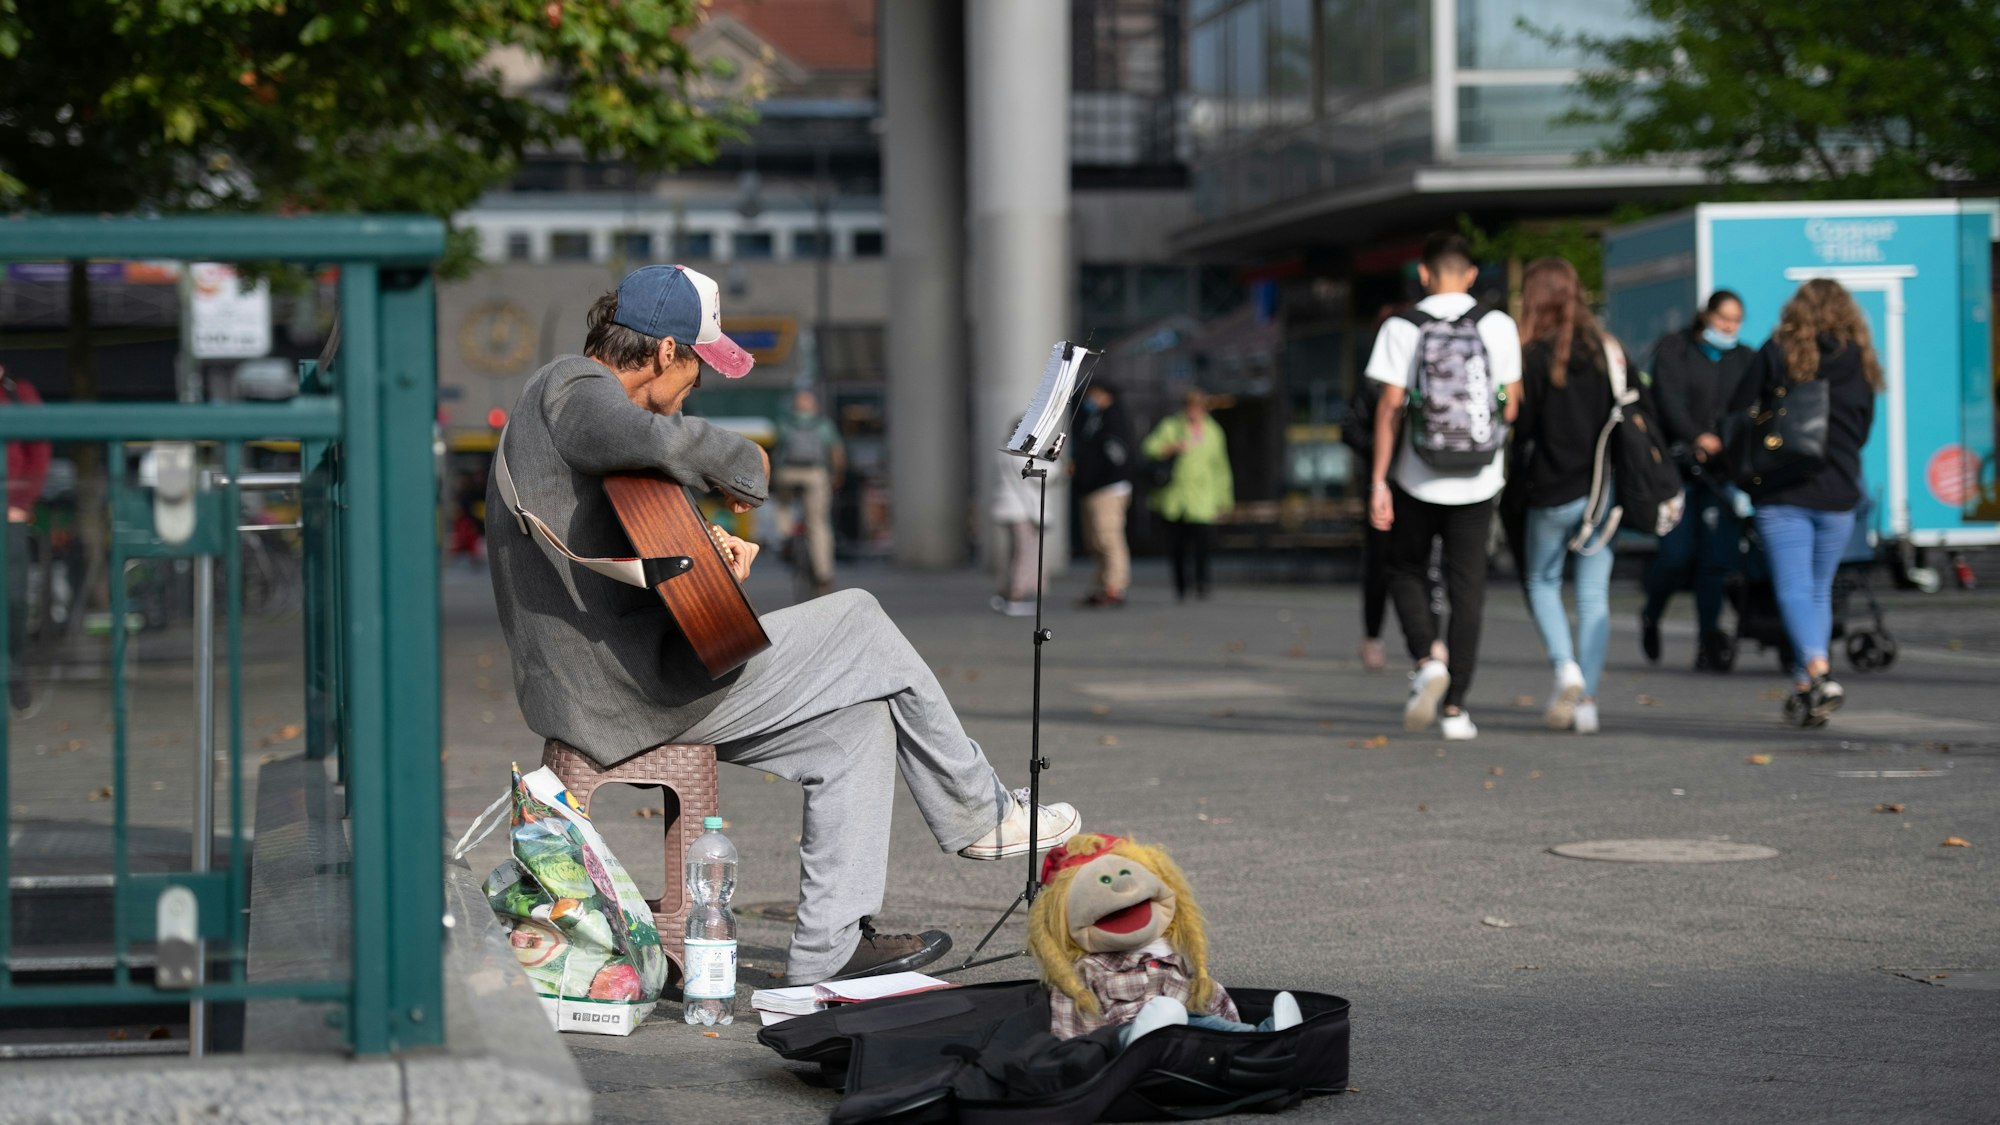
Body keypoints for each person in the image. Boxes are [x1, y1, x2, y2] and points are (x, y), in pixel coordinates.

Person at [487, 265, 1084, 986]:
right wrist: (744, 464)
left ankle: (828, 950)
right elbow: (634, 432)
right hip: (630, 690)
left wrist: (700, 545)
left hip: (615, 679)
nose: (695, 392)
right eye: (699, 372)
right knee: (860, 617)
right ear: (667, 353)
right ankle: (978, 812)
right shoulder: (572, 387)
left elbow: (617, 521)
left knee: (857, 726)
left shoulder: (559, 407)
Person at [1365, 231, 1521, 741]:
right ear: (1472, 274)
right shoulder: (1497, 324)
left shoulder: (1401, 326)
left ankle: (1426, 657)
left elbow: (1389, 408)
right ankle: (1456, 708)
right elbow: (1512, 406)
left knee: (1406, 568)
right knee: (1468, 589)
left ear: (1424, 274)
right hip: (1479, 476)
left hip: (1417, 474)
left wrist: (1379, 480)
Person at [1725, 278, 1880, 726]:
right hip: (1839, 491)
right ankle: (1802, 687)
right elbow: (1864, 426)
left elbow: (1738, 407)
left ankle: (1818, 671)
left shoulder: (1777, 352)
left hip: (1783, 488)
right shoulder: (1860, 358)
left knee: (1793, 587)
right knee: (1817, 589)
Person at [1512, 258, 1622, 735]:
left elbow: (1521, 429)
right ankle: (1588, 704)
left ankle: (1566, 668)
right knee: (1594, 595)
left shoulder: (1530, 355)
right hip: (1603, 493)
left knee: (1541, 580)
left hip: (1551, 490)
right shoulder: (1607, 350)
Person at [1639, 290, 1756, 669]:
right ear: (1707, 315)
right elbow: (1668, 401)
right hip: (1678, 471)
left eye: (1736, 321)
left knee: (1715, 561)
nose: (1729, 327)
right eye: (1724, 319)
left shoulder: (1744, 359)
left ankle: (1708, 639)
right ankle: (1652, 613)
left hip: (1720, 474)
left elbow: (1748, 409)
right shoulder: (1676, 350)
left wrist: (1727, 440)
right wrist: (1695, 437)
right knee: (1675, 555)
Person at [1142, 388, 1233, 602]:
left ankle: (1203, 582)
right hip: (1175, 496)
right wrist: (1172, 447)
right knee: (1177, 545)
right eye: (1191, 408)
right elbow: (1149, 448)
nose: (1194, 412)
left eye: (1198, 408)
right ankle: (1181, 585)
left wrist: (1224, 498)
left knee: (1203, 543)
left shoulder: (1213, 432)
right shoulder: (1172, 426)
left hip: (1202, 496)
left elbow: (1221, 467)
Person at [0, 365, 50, 713]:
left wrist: (21, 504)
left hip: (8, 514)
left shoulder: (20, 395)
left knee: (14, 599)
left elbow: (39, 453)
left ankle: (14, 670)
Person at [772, 388, 844, 597]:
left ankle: (785, 538)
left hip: (788, 473)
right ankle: (824, 573)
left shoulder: (786, 423)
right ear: (814, 406)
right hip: (815, 474)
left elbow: (778, 450)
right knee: (818, 522)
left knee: (783, 505)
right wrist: (837, 476)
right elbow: (837, 452)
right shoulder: (823, 425)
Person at [1069, 383, 1135, 608]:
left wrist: (1091, 472)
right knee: (1095, 541)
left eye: (1095, 394)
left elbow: (1116, 456)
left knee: (1109, 537)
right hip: (1092, 488)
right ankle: (1102, 584)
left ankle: (1114, 586)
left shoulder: (1114, 419)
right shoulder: (1093, 419)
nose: (1091, 399)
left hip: (1108, 487)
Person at [990, 434, 1042, 617]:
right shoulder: (1020, 454)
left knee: (1014, 553)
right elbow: (1039, 475)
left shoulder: (1005, 451)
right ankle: (1016, 596)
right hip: (1021, 510)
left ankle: (1004, 594)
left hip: (1008, 508)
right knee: (1024, 553)